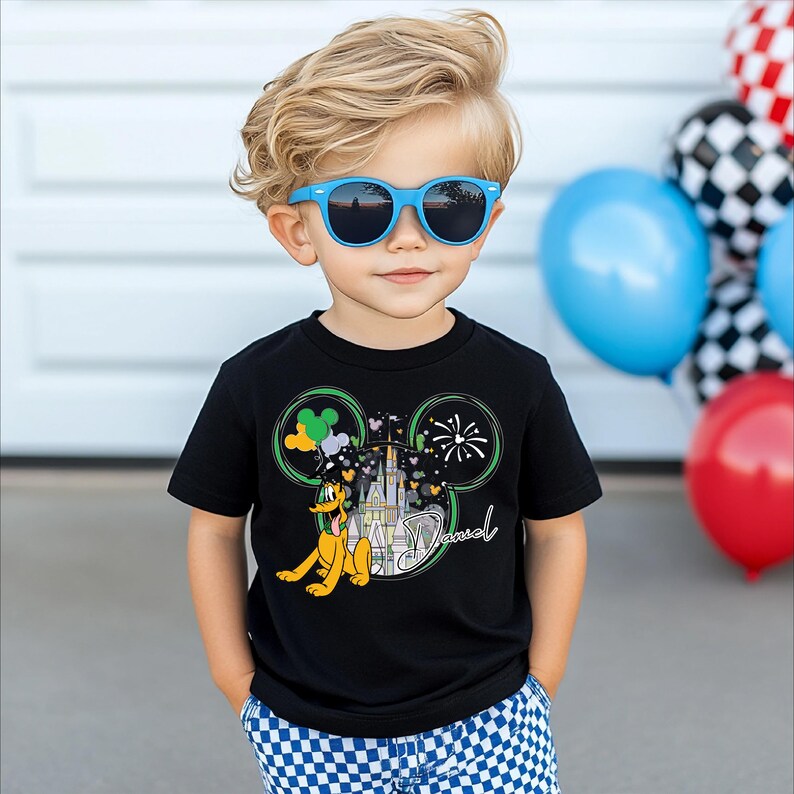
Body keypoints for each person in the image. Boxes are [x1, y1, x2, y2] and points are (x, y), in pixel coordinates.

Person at [167, 8, 602, 793]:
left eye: (449, 205)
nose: (408, 236)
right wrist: (237, 680)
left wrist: (543, 679)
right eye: (362, 208)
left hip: (491, 719)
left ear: (486, 223)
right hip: (309, 724)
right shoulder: (254, 383)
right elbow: (214, 529)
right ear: (297, 231)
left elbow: (558, 531)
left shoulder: (519, 380)